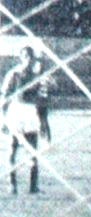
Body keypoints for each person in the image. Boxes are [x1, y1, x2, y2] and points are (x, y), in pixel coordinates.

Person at [0, 46, 46, 194]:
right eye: (26, 56)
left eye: (31, 57)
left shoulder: (37, 77)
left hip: (30, 113)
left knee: (32, 150)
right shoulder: (14, 74)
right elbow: (5, 97)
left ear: (34, 59)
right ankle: (12, 185)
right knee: (12, 149)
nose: (29, 59)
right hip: (16, 111)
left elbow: (41, 99)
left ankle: (33, 186)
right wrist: (3, 119)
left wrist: (43, 122)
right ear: (21, 58)